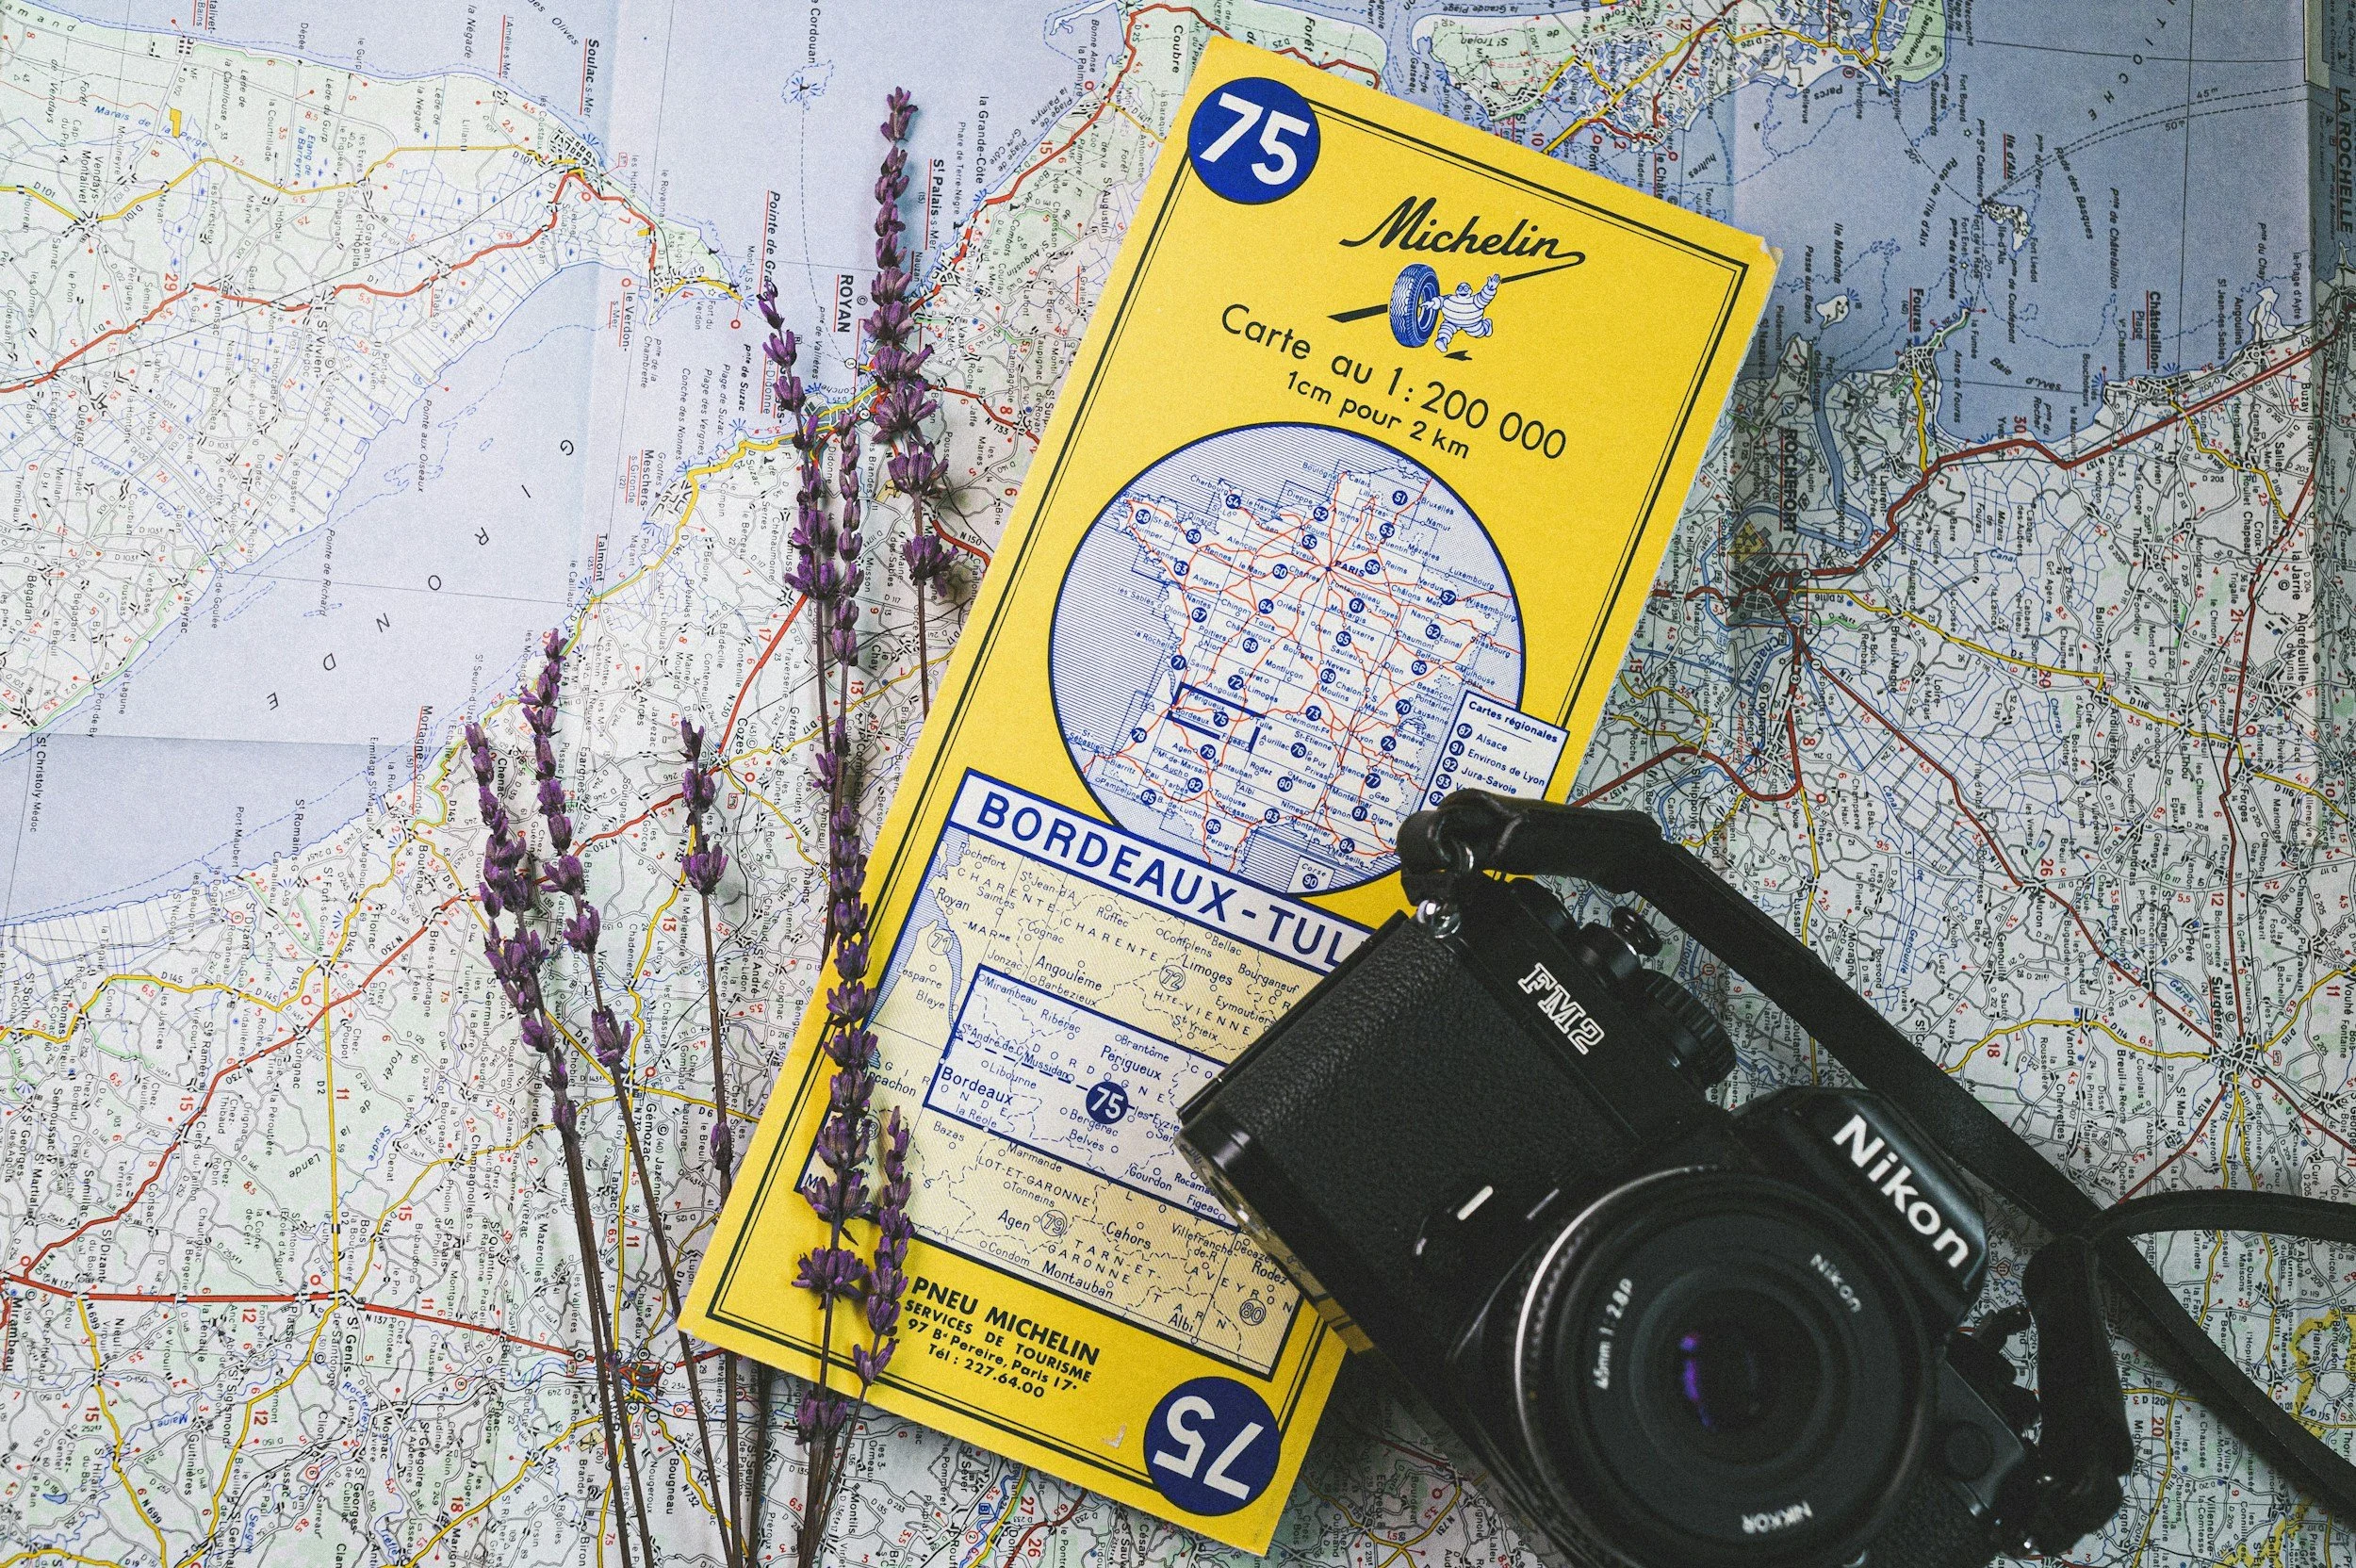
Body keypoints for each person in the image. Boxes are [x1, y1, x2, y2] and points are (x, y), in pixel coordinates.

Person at [1434, 273, 1502, 351]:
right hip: (1452, 322)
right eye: (1460, 288)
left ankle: (1487, 325)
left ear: (1470, 291)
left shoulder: (1474, 300)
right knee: (1446, 329)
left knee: (1479, 332)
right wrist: (1432, 303)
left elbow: (1483, 297)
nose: (1463, 291)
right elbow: (1440, 300)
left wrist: (1490, 288)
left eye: (1466, 289)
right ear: (1457, 291)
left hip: (1472, 324)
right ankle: (1442, 341)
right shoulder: (1450, 299)